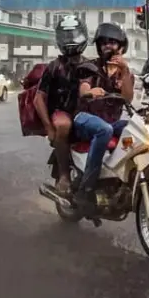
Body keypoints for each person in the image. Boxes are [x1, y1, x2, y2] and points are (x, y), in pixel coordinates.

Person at [71, 22, 134, 217]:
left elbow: (128, 98)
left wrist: (124, 71)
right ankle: (86, 190)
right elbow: (83, 88)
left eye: (113, 42)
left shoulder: (123, 73)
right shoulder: (90, 66)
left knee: (134, 128)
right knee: (104, 130)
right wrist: (90, 92)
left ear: (121, 46)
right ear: (99, 46)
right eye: (104, 42)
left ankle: (121, 181)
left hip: (110, 121)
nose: (108, 46)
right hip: (84, 118)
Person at [34, 15, 90, 194]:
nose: (71, 40)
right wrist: (49, 128)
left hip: (86, 113)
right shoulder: (54, 67)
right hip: (62, 112)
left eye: (74, 35)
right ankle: (65, 175)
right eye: (66, 36)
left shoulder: (91, 66)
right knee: (63, 125)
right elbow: (38, 99)